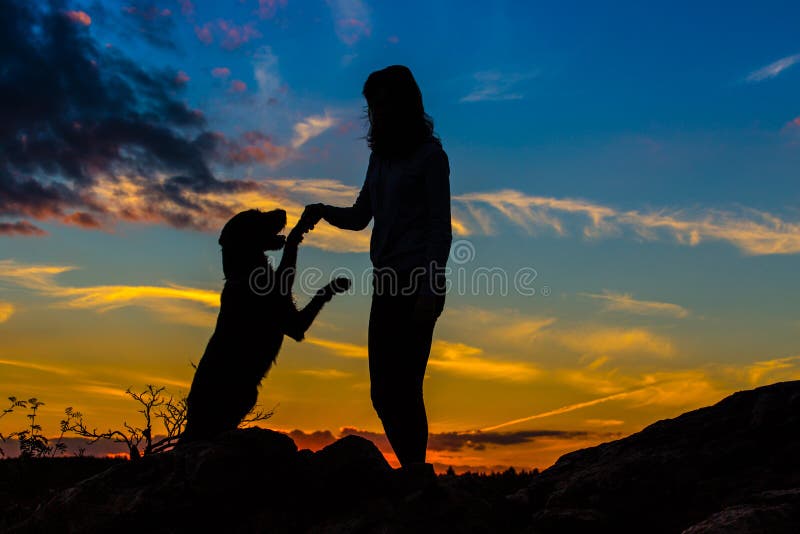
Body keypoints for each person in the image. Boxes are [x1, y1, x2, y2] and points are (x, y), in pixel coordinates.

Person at [302, 65, 451, 486]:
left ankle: (415, 479)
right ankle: (415, 476)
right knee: (383, 393)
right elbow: (359, 216)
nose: (376, 115)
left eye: (383, 105)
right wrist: (322, 211)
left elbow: (441, 229)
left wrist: (428, 286)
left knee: (405, 388)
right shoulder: (378, 158)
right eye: (372, 107)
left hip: (419, 283)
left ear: (405, 105)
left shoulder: (431, 158)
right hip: (385, 284)